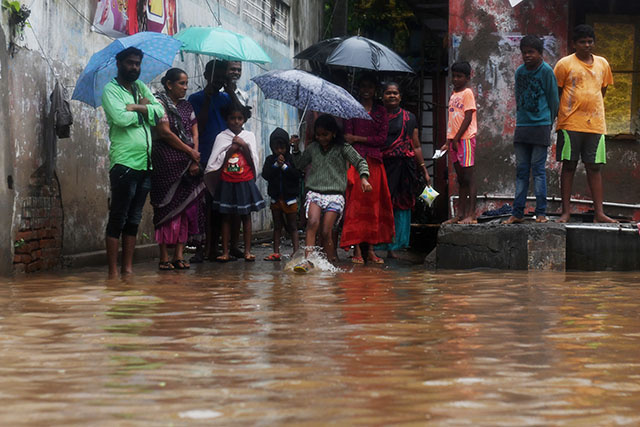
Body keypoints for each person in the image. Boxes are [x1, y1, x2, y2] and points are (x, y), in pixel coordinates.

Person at [101, 46, 165, 278]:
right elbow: (120, 118)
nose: (134, 67)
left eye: (137, 63)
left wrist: (138, 107)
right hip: (124, 163)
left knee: (134, 218)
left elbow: (160, 112)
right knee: (118, 216)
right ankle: (112, 272)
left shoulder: (140, 87)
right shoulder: (111, 90)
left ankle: (127, 270)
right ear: (119, 64)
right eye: (130, 63)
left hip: (145, 164)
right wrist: (146, 111)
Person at [554, 24, 616, 223]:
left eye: (590, 41)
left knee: (594, 167)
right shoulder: (564, 64)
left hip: (595, 124)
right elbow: (557, 92)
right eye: (582, 42)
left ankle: (599, 213)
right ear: (574, 44)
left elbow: (602, 90)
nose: (587, 45)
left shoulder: (603, 64)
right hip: (570, 123)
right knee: (569, 166)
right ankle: (565, 212)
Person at [292, 114, 371, 267]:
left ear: (334, 133)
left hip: (335, 196)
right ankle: (308, 261)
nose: (321, 138)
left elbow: (360, 161)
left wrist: (364, 178)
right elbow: (299, 164)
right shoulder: (312, 148)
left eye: (325, 134)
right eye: (318, 135)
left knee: (326, 231)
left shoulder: (343, 148)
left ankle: (329, 262)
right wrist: (295, 149)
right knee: (312, 223)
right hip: (314, 192)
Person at [150, 68, 205, 270]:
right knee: (165, 210)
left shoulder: (187, 106)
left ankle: (179, 255)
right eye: (181, 83)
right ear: (169, 84)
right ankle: (164, 256)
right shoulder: (159, 104)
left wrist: (194, 158)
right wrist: (190, 153)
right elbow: (164, 133)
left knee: (184, 210)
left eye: (186, 83)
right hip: (165, 164)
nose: (185, 87)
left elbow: (195, 133)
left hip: (188, 164)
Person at [504, 36, 559, 225]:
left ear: (540, 53)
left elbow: (554, 100)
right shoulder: (519, 72)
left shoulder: (546, 72)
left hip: (541, 126)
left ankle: (541, 213)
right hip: (522, 127)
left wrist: (549, 123)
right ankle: (517, 212)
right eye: (524, 52)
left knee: (538, 171)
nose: (527, 55)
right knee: (521, 171)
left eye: (531, 52)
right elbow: (519, 99)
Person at [188, 60, 239, 262]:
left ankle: (226, 246)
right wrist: (208, 99)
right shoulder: (196, 98)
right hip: (206, 153)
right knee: (205, 205)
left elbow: (241, 116)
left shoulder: (227, 99)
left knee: (225, 204)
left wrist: (231, 91)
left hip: (228, 156)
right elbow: (198, 125)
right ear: (206, 75)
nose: (218, 80)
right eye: (214, 76)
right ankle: (205, 247)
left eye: (221, 76)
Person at [341, 73, 394, 264]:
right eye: (363, 86)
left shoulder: (381, 112)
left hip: (375, 162)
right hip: (355, 162)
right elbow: (346, 137)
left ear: (374, 90)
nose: (366, 90)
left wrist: (357, 139)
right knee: (355, 206)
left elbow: (381, 139)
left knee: (373, 207)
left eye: (369, 87)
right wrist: (354, 142)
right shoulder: (351, 109)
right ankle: (356, 250)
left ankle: (370, 250)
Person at [205, 103, 264, 262]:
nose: (236, 121)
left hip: (244, 181)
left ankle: (247, 251)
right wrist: (231, 149)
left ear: (244, 119)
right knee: (225, 216)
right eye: (232, 118)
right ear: (226, 119)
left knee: (246, 216)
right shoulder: (221, 137)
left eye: (239, 118)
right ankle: (225, 251)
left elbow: (254, 160)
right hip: (226, 181)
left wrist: (243, 145)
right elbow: (215, 162)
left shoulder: (249, 136)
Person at [377, 82, 431, 257]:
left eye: (395, 93)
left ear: (400, 96)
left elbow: (415, 145)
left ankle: (394, 246)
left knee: (401, 205)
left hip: (404, 168)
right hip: (383, 165)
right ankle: (378, 246)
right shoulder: (376, 117)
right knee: (382, 203)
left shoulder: (409, 117)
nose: (392, 96)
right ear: (382, 96)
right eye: (388, 93)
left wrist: (423, 169)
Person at [441, 61, 478, 225]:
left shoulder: (467, 93)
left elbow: (468, 117)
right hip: (454, 141)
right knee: (461, 179)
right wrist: (448, 141)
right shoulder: (453, 94)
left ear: (467, 77)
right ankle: (460, 214)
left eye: (459, 76)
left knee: (469, 178)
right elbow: (452, 120)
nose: (456, 79)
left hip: (465, 140)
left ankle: (471, 214)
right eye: (454, 76)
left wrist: (456, 138)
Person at [262, 128, 301, 261]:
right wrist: (275, 166)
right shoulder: (269, 160)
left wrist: (284, 167)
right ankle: (276, 252)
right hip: (275, 198)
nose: (279, 151)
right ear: (272, 147)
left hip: (290, 199)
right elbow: (265, 175)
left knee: (293, 226)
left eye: (282, 148)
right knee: (277, 226)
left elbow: (297, 175)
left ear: (287, 147)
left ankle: (296, 251)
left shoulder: (292, 159)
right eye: (276, 148)